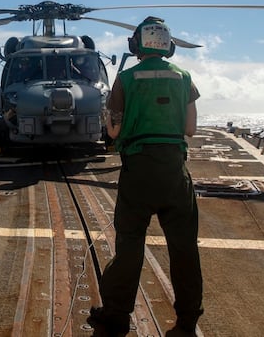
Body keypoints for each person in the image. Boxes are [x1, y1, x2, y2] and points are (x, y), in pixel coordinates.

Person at [89, 17, 203, 337]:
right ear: (168, 44)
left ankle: (116, 316)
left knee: (129, 246)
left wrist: (112, 122)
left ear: (137, 44)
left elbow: (113, 129)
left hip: (138, 172)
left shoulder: (125, 79)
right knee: (184, 249)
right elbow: (190, 130)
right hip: (174, 174)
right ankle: (186, 322)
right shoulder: (184, 78)